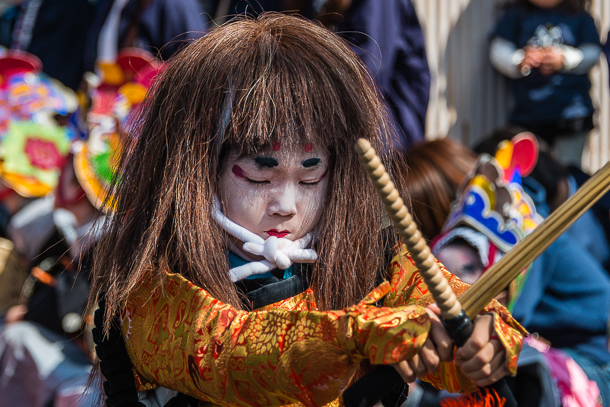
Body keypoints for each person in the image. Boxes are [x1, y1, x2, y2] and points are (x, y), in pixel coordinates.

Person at [87, 14, 526, 407]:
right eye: (260, 176)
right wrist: (368, 337)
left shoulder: (377, 264)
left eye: (310, 176)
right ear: (196, 168)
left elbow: (460, 312)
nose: (286, 206)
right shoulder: (148, 284)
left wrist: (483, 344)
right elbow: (235, 353)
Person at [489, 0, 602, 169]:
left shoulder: (580, 16)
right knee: (532, 176)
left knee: (569, 173)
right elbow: (498, 50)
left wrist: (564, 59)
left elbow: (592, 53)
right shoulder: (517, 14)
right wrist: (520, 60)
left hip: (572, 116)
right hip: (528, 116)